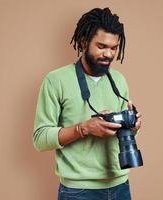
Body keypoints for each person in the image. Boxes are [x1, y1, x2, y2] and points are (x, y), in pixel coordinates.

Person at [33, 7, 142, 200]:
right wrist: (83, 129)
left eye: (114, 48)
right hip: (78, 191)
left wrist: (132, 127)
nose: (109, 54)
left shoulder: (119, 79)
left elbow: (119, 130)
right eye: (101, 46)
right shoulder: (55, 80)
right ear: (84, 42)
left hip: (120, 185)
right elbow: (40, 139)